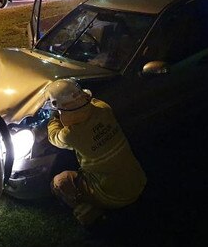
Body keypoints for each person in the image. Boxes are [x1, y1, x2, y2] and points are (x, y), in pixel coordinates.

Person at [45, 78, 147, 227]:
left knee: (59, 182)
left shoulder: (71, 134)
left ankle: (88, 211)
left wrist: (52, 116)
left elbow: (53, 136)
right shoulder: (104, 108)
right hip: (138, 182)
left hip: (112, 194)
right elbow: (90, 103)